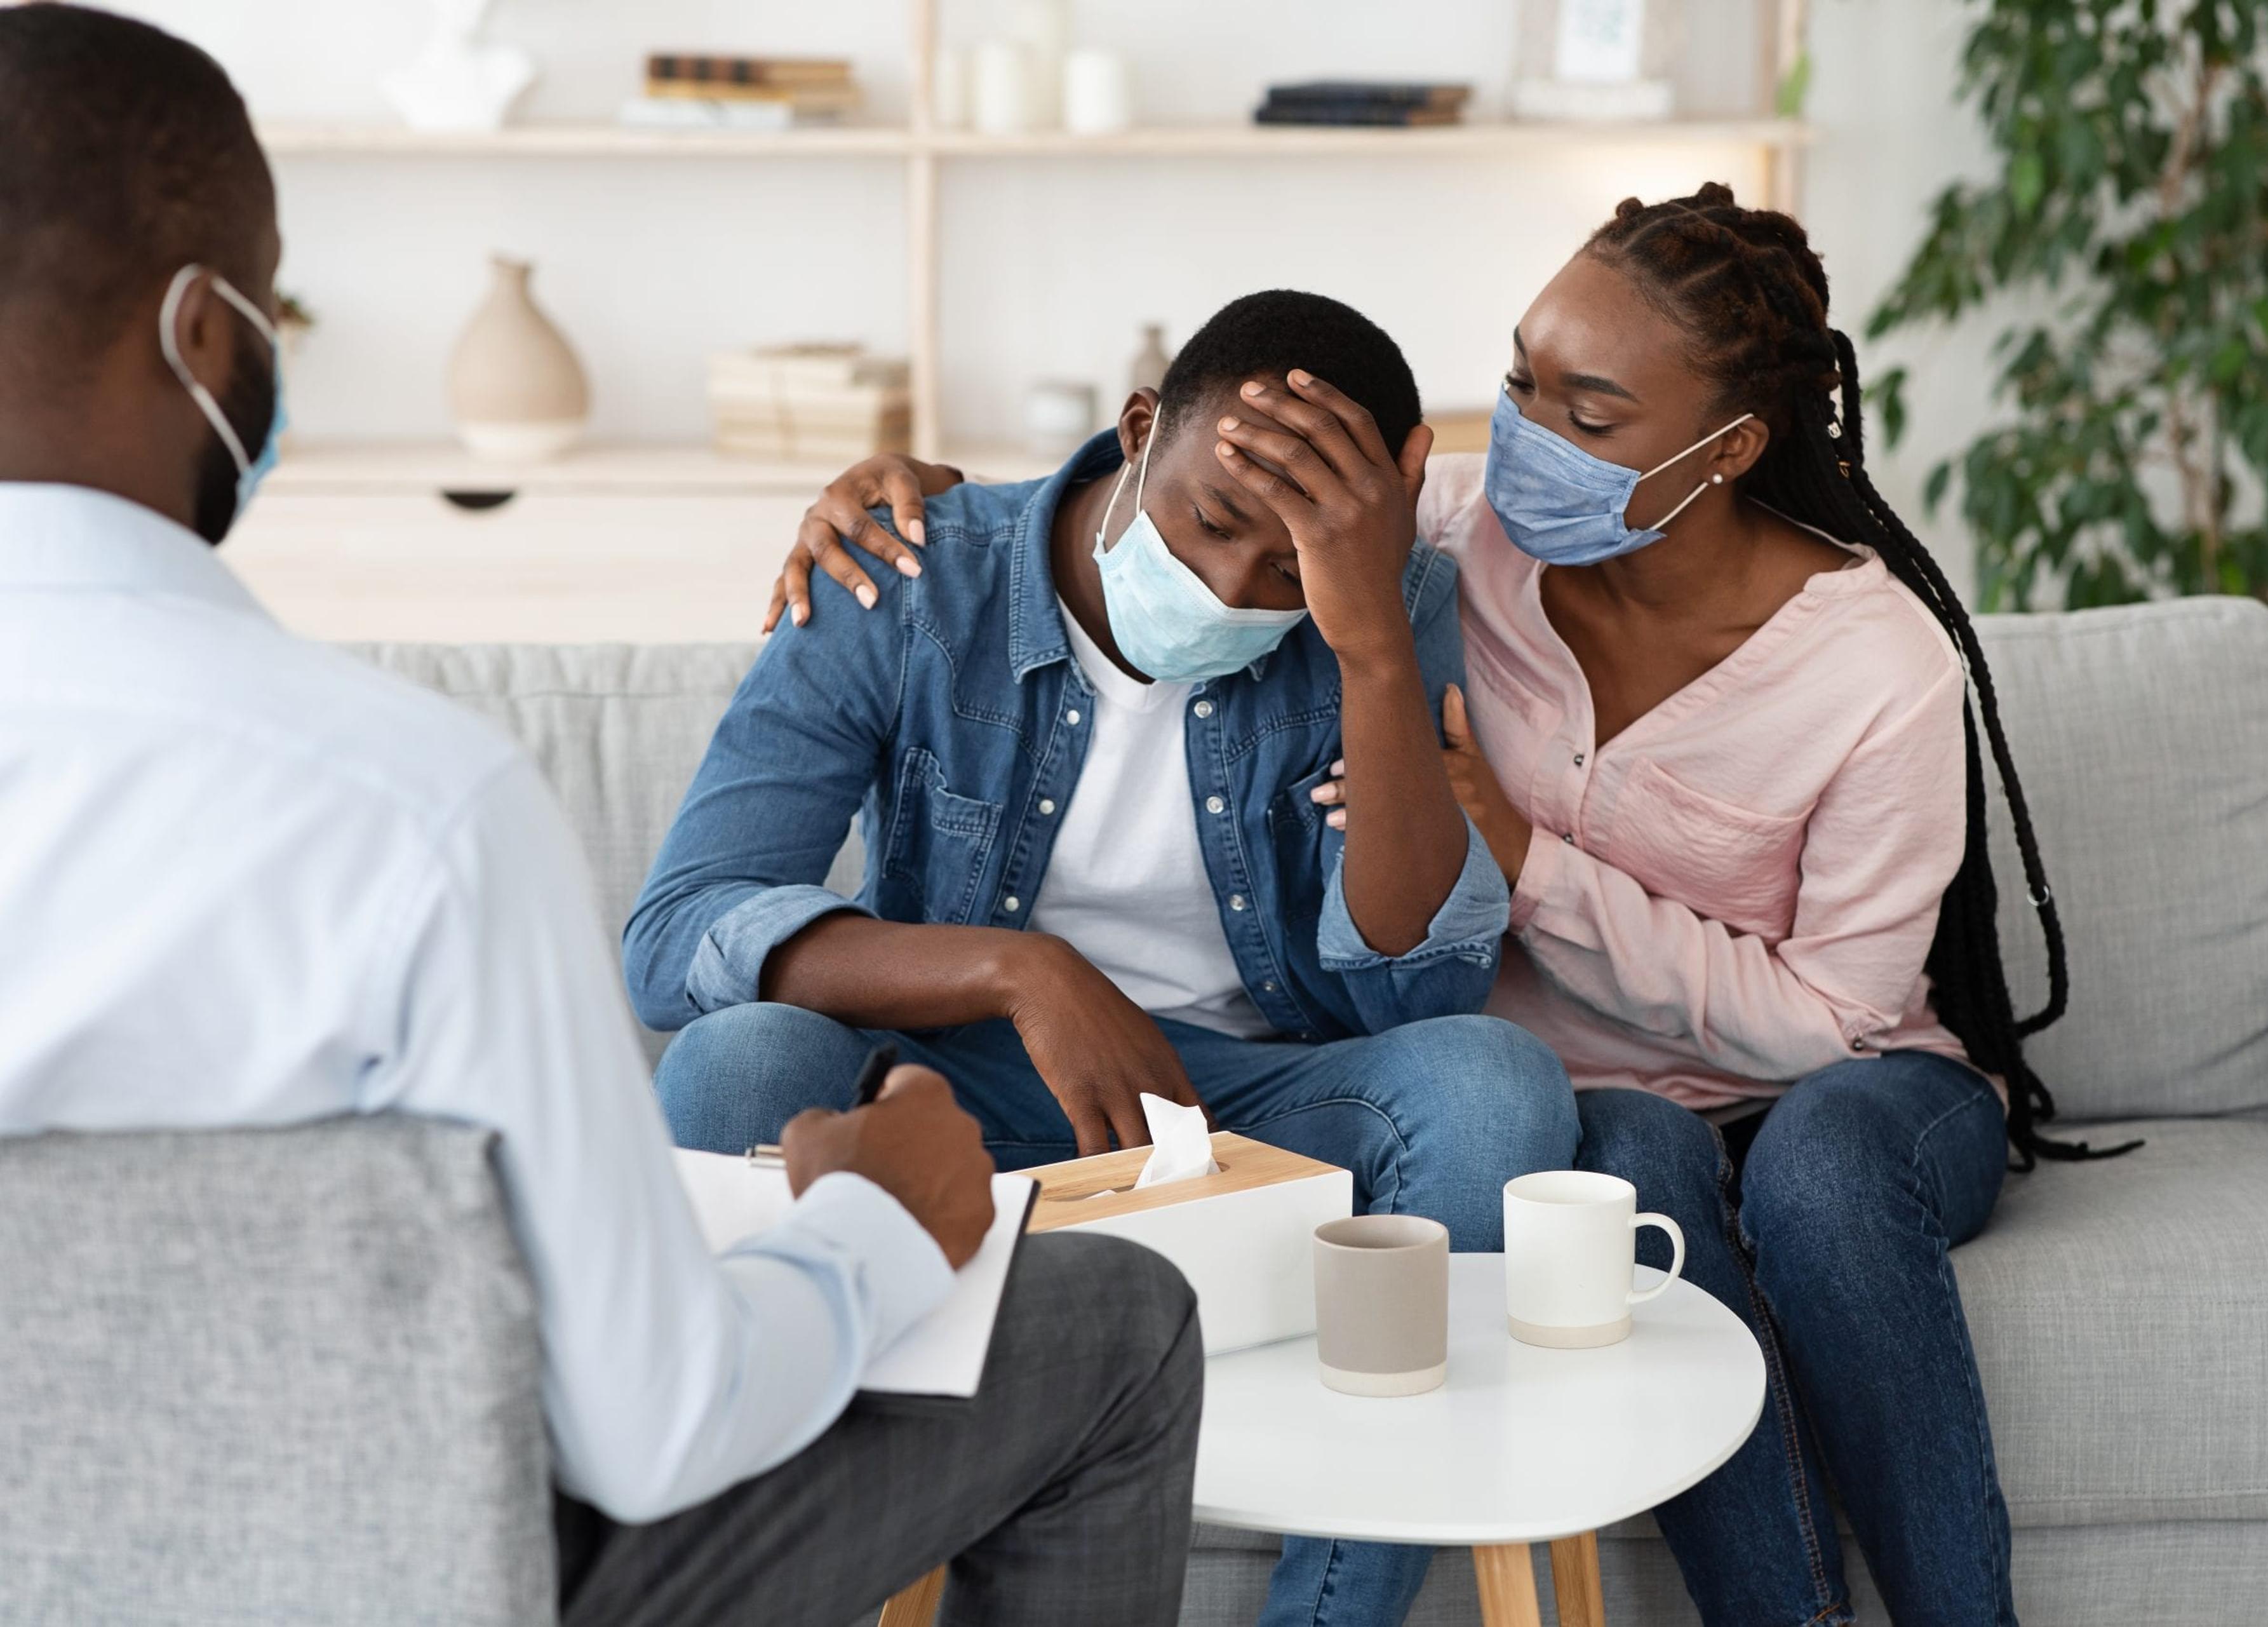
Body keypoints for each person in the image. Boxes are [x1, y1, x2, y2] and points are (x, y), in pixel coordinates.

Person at [765, 187, 2123, 1626]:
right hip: (1597, 1102)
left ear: (1725, 451)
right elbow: (1182, 505)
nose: (1531, 436)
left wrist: (1533, 862)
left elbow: (1837, 1019)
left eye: (1590, 416)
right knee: (1612, 1169)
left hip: (1850, 1079)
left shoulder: (1879, 666)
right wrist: (919, 491)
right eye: (1523, 380)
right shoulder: (1452, 538)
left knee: (1821, 1175)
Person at [0, 12, 1200, 1627]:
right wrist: (873, 1220)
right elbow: (652, 1428)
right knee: (1112, 1325)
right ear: (210, 337)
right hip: (401, 1580)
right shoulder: (411, 815)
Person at [626, 288, 1581, 1621]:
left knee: (1494, 1087)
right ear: (1140, 429)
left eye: (1291, 568)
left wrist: (1365, 645)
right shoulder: (911, 571)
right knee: (739, 1064)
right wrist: (1025, 974)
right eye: (1210, 525)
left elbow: (1420, 986)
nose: (1237, 591)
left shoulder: (1386, 597)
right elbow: (678, 931)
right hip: (945, 1097)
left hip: (1239, 1115)